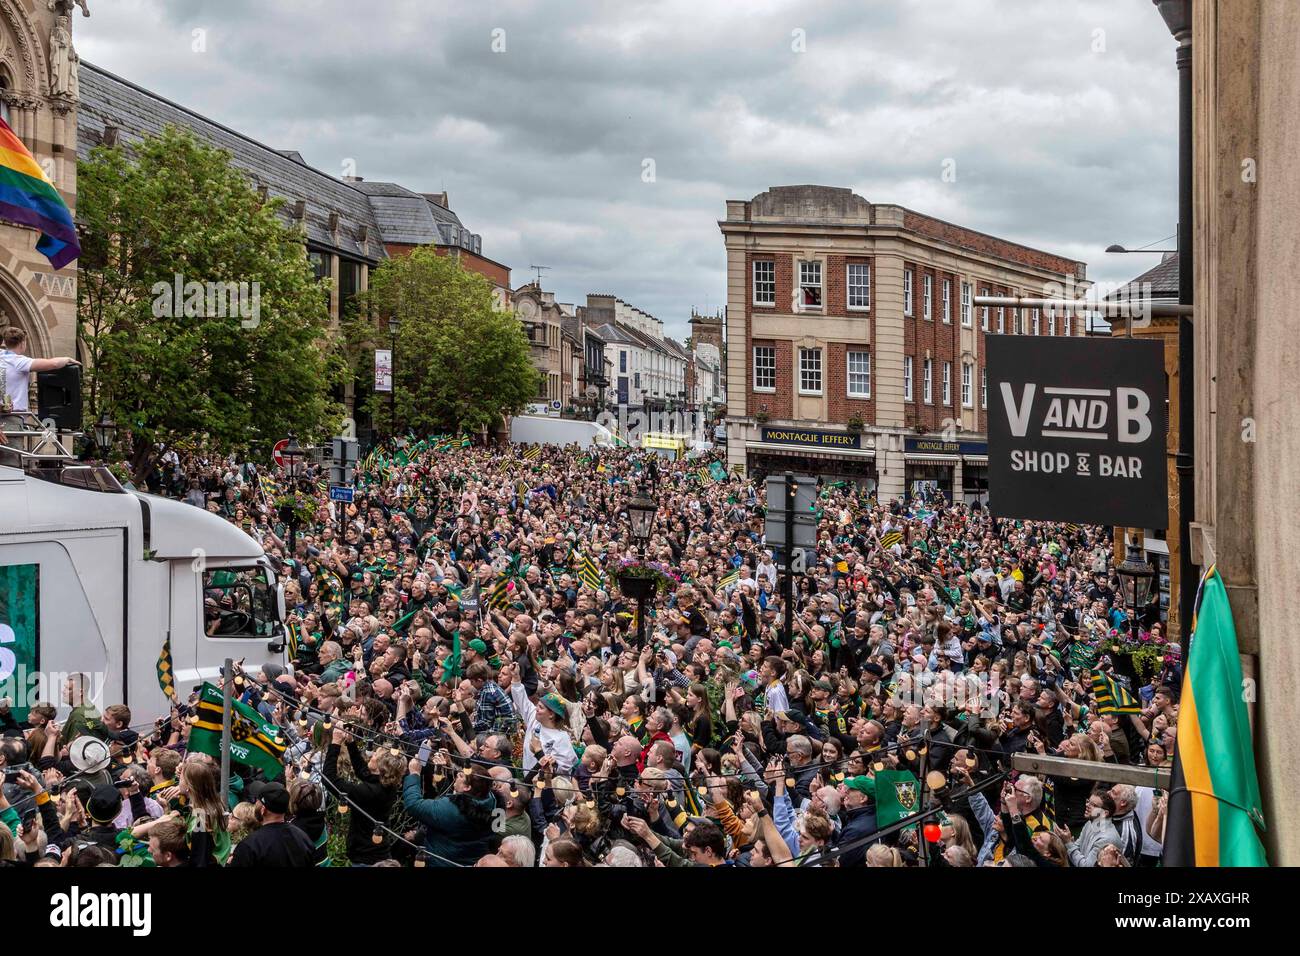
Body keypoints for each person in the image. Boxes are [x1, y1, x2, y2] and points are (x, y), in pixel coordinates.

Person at [228, 783, 317, 867]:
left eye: (257, 801)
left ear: (263, 810)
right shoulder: (303, 839)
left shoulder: (250, 846)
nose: (255, 805)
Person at [0, 326, 76, 415]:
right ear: (22, 343)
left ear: (5, 342)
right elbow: (53, 364)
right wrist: (68, 359)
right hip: (12, 416)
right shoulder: (20, 362)